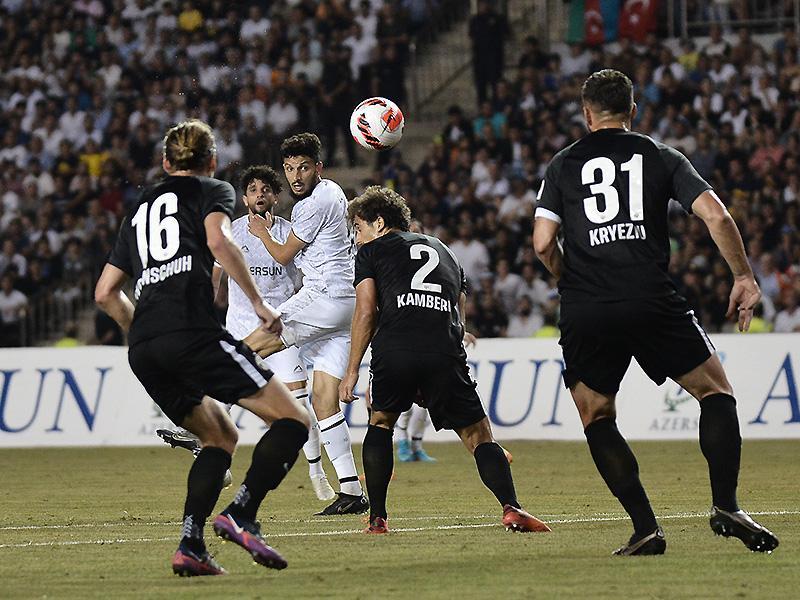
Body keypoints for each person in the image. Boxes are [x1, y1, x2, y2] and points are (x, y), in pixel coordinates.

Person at [532, 69, 779, 556]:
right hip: (650, 297)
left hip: (587, 307)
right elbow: (716, 215)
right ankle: (726, 506)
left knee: (597, 416)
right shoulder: (660, 155)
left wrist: (570, 280)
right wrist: (744, 277)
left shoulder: (562, 165)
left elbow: (542, 243)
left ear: (587, 114)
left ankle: (645, 528)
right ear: (632, 110)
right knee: (715, 392)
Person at [95, 120, 310, 577]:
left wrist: (143, 331)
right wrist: (258, 302)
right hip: (191, 332)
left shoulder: (138, 210)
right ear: (211, 161)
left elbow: (105, 293)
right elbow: (218, 240)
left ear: (165, 162)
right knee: (293, 421)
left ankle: (191, 546)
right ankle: (242, 513)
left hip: (144, 348)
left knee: (220, 437)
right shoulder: (211, 190)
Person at [338, 186, 550, 535]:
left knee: (381, 422)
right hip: (444, 349)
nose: (357, 238)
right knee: (478, 435)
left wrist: (351, 371)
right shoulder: (445, 251)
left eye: (358, 228)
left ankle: (377, 518)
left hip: (395, 348)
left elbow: (366, 311)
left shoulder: (372, 251)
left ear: (379, 223)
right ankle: (512, 507)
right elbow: (459, 314)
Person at [156, 164, 336, 502]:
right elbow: (215, 277)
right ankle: (214, 457)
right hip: (241, 326)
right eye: (253, 190)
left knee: (299, 404)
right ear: (244, 198)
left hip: (281, 327)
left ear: (276, 197)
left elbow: (307, 276)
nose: (259, 195)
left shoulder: (290, 231)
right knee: (223, 391)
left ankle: (317, 473)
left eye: (266, 189)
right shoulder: (233, 232)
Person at [243, 133, 368, 515]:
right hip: (345, 307)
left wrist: (261, 232)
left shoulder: (312, 204)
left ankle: (199, 423)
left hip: (324, 297)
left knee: (245, 349)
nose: (296, 176)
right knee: (324, 399)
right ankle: (351, 490)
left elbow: (282, 255)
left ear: (319, 168)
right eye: (289, 168)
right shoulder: (332, 192)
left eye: (303, 167)